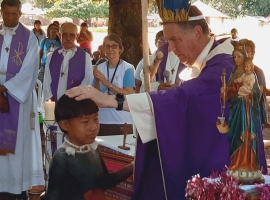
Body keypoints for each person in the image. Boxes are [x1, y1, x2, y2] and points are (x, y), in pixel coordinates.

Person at [66, 3, 261, 198]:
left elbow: (182, 99)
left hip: (233, 166)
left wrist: (111, 101)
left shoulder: (225, 66)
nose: (171, 49)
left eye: (176, 40)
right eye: (168, 41)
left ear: (197, 32)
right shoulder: (212, 63)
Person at [44, 94, 133, 200]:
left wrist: (133, 165)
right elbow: (52, 196)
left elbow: (105, 182)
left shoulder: (93, 148)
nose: (94, 127)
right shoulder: (62, 158)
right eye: (85, 122)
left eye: (96, 119)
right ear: (65, 125)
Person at [0, 0, 44, 199]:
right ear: (1, 12)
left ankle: (15, 188)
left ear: (19, 13)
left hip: (19, 99)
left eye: (14, 14)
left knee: (16, 147)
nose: (10, 18)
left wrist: (4, 89)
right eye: (6, 13)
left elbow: (30, 71)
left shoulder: (29, 38)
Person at [42, 22, 94, 163]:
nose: (68, 38)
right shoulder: (52, 56)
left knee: (72, 149)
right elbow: (46, 84)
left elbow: (86, 84)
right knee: (53, 143)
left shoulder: (85, 58)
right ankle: (51, 177)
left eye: (72, 35)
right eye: (65, 34)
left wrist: (70, 107)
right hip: (53, 108)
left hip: (74, 110)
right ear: (59, 35)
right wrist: (50, 108)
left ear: (77, 36)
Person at [224, 40, 266, 183]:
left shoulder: (255, 72)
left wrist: (247, 94)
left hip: (248, 112)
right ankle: (236, 164)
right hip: (236, 112)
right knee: (235, 136)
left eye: (239, 56)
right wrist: (225, 92)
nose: (237, 59)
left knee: (247, 137)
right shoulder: (233, 73)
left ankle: (249, 165)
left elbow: (257, 94)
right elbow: (228, 93)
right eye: (234, 56)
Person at [93, 33, 135, 136]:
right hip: (102, 119)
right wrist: (97, 80)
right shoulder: (99, 68)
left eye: (114, 46)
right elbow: (95, 94)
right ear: (104, 49)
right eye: (107, 46)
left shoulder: (127, 68)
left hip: (122, 120)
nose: (110, 49)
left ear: (120, 49)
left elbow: (128, 94)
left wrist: (106, 83)